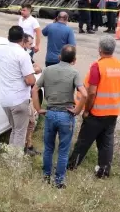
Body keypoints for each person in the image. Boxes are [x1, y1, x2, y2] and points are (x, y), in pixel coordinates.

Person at [67, 35, 120, 178]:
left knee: (84, 141)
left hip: (96, 112)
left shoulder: (97, 66)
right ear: (113, 50)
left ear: (100, 49)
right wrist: (117, 104)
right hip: (113, 112)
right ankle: (104, 172)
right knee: (106, 143)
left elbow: (92, 92)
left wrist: (87, 110)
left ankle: (71, 166)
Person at [32, 45, 87, 188]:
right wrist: (77, 111)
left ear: (59, 57)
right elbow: (85, 94)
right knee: (63, 150)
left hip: (50, 113)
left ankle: (45, 177)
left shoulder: (48, 70)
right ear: (74, 60)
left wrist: (38, 109)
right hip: (66, 115)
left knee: (48, 148)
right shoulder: (74, 73)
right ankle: (59, 181)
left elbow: (35, 89)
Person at [0, 26, 36, 149]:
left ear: (8, 37)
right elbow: (30, 80)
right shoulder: (22, 55)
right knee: (20, 132)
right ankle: (15, 161)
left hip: (5, 100)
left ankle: (11, 155)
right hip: (19, 100)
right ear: (22, 38)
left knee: (15, 129)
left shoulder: (0, 50)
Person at [23, 34, 43, 156]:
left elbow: (38, 68)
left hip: (27, 96)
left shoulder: (26, 55)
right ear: (24, 42)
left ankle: (28, 146)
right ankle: (27, 147)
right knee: (30, 122)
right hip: (24, 96)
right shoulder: (22, 56)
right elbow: (32, 71)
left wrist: (32, 68)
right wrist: (32, 69)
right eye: (30, 44)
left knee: (31, 122)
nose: (32, 46)